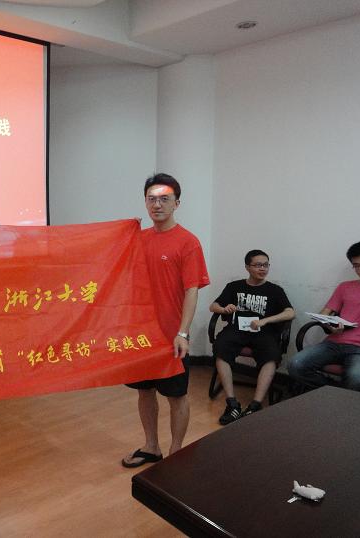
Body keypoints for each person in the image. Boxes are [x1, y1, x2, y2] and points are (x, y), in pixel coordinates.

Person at [122, 173, 210, 468]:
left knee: (176, 395)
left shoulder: (188, 242)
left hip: (172, 336)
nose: (157, 204)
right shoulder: (138, 239)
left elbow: (192, 291)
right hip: (141, 335)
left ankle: (175, 453)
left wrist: (182, 333)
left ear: (176, 203)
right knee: (144, 391)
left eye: (164, 199)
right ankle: (151, 446)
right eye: (151, 199)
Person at [209, 250, 295, 424]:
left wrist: (266, 320)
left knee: (272, 355)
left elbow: (290, 313)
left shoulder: (275, 290)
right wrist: (224, 309)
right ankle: (232, 403)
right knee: (221, 347)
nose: (263, 269)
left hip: (264, 332)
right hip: (237, 329)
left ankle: (255, 404)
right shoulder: (234, 286)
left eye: (266, 265)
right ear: (247, 267)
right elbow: (213, 306)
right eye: (258, 265)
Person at [288, 241, 360, 392]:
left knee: (357, 377)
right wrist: (329, 326)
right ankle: (332, 391)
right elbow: (324, 313)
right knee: (295, 364)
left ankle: (336, 396)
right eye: (356, 266)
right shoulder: (345, 287)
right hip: (334, 343)